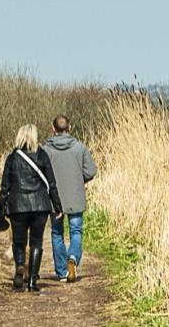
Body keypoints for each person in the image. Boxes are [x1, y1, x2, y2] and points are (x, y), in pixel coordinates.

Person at [0, 123, 61, 292]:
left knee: (19, 241)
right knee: (36, 242)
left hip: (17, 206)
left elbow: (5, 186)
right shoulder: (43, 156)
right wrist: (57, 206)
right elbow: (51, 184)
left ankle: (19, 267)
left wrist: (0, 206)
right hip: (40, 206)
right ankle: (32, 281)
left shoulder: (12, 158)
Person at [43, 114, 98, 283]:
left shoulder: (46, 149)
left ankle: (61, 272)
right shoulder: (80, 148)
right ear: (70, 128)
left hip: (54, 199)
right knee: (76, 231)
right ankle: (72, 258)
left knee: (56, 233)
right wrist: (79, 179)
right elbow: (91, 171)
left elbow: (41, 173)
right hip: (75, 196)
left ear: (53, 129)